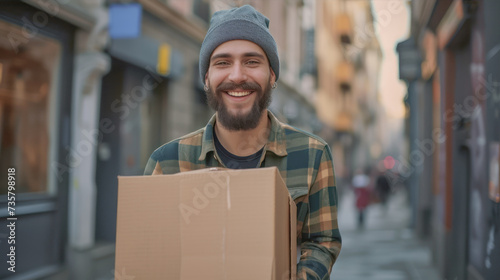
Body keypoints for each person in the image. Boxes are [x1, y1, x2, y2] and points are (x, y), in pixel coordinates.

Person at [143, 5, 341, 279]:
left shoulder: (312, 154)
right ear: (206, 78)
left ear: (272, 75)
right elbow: (152, 251)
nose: (237, 76)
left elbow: (322, 241)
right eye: (222, 62)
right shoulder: (166, 162)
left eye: (252, 62)